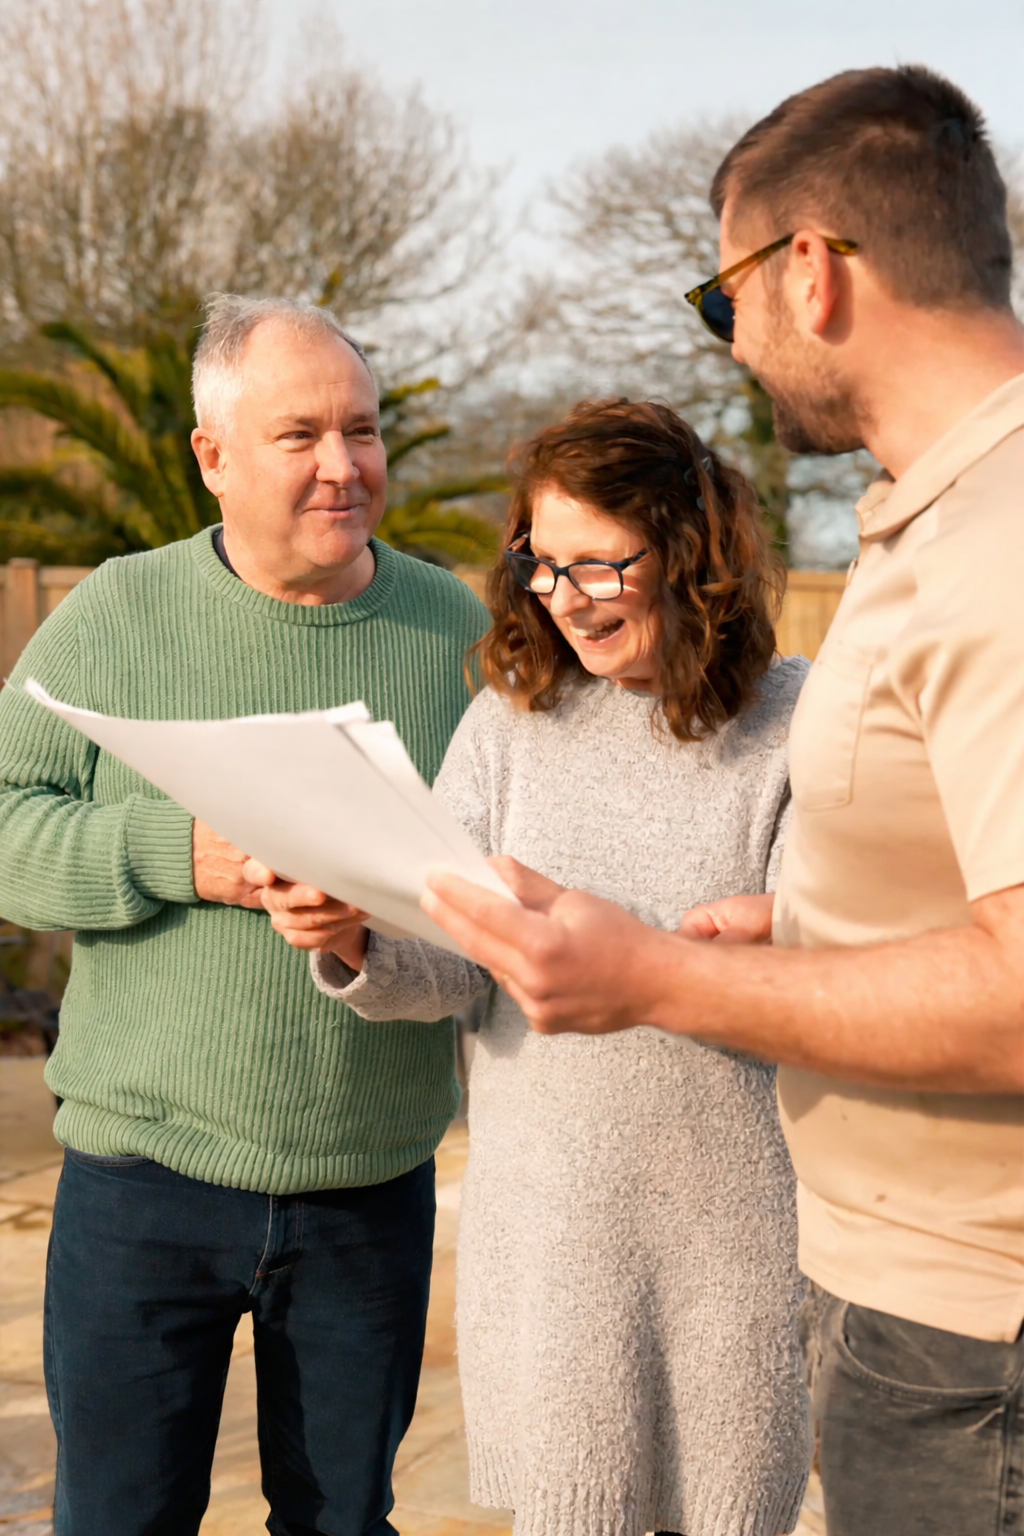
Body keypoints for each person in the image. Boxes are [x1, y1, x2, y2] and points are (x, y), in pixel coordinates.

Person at [417, 67, 1024, 1536]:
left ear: (807, 273)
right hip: (907, 1316)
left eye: (724, 295)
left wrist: (659, 974)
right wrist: (793, 931)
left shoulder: (997, 547)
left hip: (972, 1341)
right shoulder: (931, 524)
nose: (732, 340)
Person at [258, 398, 814, 1536]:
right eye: (542, 565)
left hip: (743, 1246)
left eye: (599, 565)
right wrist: (355, 941)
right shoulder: (509, 726)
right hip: (555, 1243)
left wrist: (775, 931)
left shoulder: (794, 724)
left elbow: (829, 971)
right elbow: (454, 964)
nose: (563, 599)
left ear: (691, 554)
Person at [0, 294, 488, 1536]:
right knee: (116, 1522)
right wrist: (180, 852)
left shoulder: (459, 636)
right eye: (301, 435)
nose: (345, 466)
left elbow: (507, 876)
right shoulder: (117, 613)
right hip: (138, 1182)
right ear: (212, 457)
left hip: (370, 1181)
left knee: (341, 1524)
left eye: (365, 431)